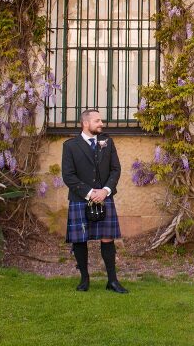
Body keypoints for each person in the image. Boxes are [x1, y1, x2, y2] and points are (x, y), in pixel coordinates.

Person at [62, 109, 127, 293]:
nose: (101, 124)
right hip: (81, 198)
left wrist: (105, 191)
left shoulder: (108, 142)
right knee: (80, 240)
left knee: (108, 238)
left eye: (101, 120)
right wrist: (90, 193)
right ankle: (84, 279)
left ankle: (112, 281)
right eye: (97, 121)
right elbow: (68, 176)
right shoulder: (70, 146)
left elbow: (116, 169)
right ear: (85, 123)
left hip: (104, 197)